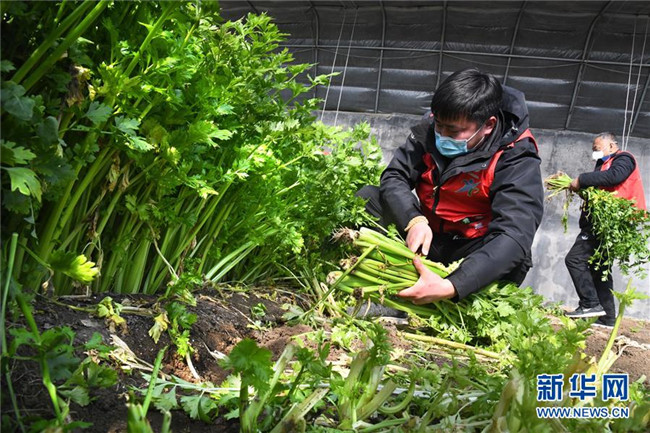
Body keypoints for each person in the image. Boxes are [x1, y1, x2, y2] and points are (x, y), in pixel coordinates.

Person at [358, 68, 544, 304]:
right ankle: (388, 290)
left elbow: (514, 231)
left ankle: (446, 294)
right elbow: (395, 176)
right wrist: (413, 220)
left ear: (488, 125)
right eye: (439, 126)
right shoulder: (432, 128)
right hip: (426, 236)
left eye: (453, 131)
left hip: (469, 247)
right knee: (367, 199)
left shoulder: (516, 155)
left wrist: (452, 285)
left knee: (513, 254)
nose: (442, 136)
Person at [564, 132, 646, 328]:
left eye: (597, 148)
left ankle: (590, 304)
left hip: (607, 222)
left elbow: (614, 177)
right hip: (604, 222)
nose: (595, 152)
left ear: (611, 146)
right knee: (599, 268)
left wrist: (581, 179)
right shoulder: (603, 164)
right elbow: (603, 189)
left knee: (574, 259)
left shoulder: (624, 159)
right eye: (593, 149)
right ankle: (607, 318)